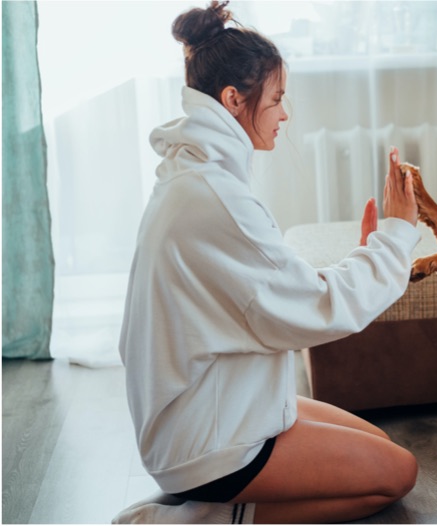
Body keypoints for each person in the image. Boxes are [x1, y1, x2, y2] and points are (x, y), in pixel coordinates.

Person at [116, 1, 420, 523]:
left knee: (376, 443)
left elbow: (275, 291)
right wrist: (396, 235)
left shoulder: (197, 174)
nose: (285, 113)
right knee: (397, 474)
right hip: (205, 438)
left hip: (213, 403)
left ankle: (207, 499)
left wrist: (370, 251)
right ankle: (192, 518)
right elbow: (316, 308)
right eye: (278, 99)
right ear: (233, 99)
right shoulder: (215, 197)